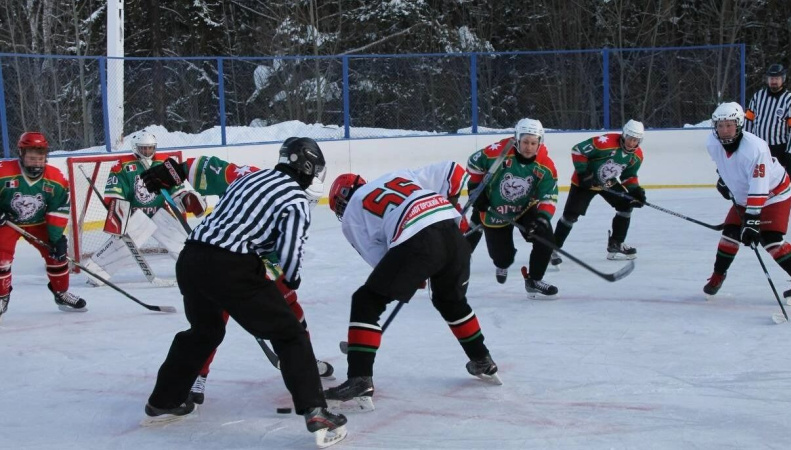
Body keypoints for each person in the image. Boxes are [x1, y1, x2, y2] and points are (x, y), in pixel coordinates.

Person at [142, 138, 347, 448]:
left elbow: (203, 168)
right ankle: (316, 411)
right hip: (232, 265)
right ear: (306, 168)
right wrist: (290, 283)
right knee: (289, 334)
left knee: (203, 332)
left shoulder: (249, 176)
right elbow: (290, 254)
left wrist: (169, 174)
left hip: (191, 258)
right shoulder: (295, 199)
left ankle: (164, 401)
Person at [324, 161, 500, 412]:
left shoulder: (352, 213)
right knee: (450, 301)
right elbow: (454, 171)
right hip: (453, 235)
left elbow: (379, 259)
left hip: (418, 241)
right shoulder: (397, 174)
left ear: (342, 201)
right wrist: (450, 206)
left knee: (367, 301)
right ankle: (482, 359)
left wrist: (413, 275)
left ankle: (359, 379)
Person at [704, 102, 791, 306]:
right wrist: (724, 180)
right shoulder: (712, 143)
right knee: (730, 233)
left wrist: (752, 220)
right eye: (720, 126)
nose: (724, 130)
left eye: (729, 125)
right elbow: (724, 165)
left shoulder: (755, 148)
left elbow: (759, 186)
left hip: (774, 194)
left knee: (770, 238)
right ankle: (717, 276)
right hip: (744, 196)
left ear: (739, 124)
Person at [84, 130, 205, 286]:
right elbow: (115, 193)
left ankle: (196, 271)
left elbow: (175, 189)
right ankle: (95, 274)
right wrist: (119, 212)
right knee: (120, 248)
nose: (147, 151)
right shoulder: (121, 165)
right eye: (143, 148)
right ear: (135, 148)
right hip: (135, 215)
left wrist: (186, 198)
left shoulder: (163, 164)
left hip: (158, 212)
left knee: (180, 241)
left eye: (150, 148)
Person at [465, 118, 560, 299]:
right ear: (517, 139)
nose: (529, 147)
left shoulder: (546, 165)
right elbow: (473, 163)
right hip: (495, 209)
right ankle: (502, 263)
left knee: (545, 237)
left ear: (540, 142)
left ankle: (534, 280)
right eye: (525, 142)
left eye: (533, 143)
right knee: (504, 258)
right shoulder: (498, 152)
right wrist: (476, 191)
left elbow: (549, 195)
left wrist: (542, 217)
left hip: (525, 208)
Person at [0, 132, 87, 322]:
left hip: (39, 223)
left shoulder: (55, 178)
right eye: (32, 158)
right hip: (8, 223)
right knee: (1, 259)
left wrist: (56, 238)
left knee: (57, 256)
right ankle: (2, 296)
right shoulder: (3, 171)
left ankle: (61, 293)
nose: (36, 163)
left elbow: (58, 208)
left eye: (40, 159)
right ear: (21, 154)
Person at [550, 120, 646, 265]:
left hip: (608, 182)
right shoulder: (605, 143)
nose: (632, 143)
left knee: (626, 206)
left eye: (636, 140)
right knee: (570, 216)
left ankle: (616, 243)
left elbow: (629, 176)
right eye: (630, 138)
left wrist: (636, 191)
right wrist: (584, 173)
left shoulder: (637, 156)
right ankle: (552, 248)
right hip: (584, 183)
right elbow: (578, 150)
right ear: (624, 135)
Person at [744, 63, 791, 180]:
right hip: (759, 149)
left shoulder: (790, 100)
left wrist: (789, 152)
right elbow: (749, 121)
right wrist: (747, 144)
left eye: (777, 78)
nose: (773, 81)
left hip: (780, 150)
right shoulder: (758, 97)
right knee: (758, 183)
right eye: (771, 78)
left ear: (783, 79)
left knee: (782, 186)